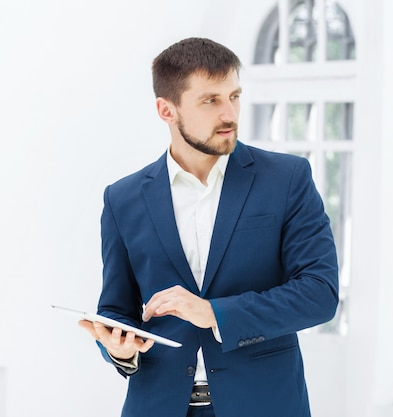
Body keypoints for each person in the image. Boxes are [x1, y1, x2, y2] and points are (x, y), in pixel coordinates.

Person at [79, 37, 339, 417]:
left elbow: (319, 293)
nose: (229, 114)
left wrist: (214, 313)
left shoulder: (287, 179)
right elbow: (116, 308)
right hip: (157, 406)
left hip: (264, 404)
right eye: (210, 100)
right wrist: (118, 348)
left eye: (234, 96)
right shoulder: (123, 198)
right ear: (167, 110)